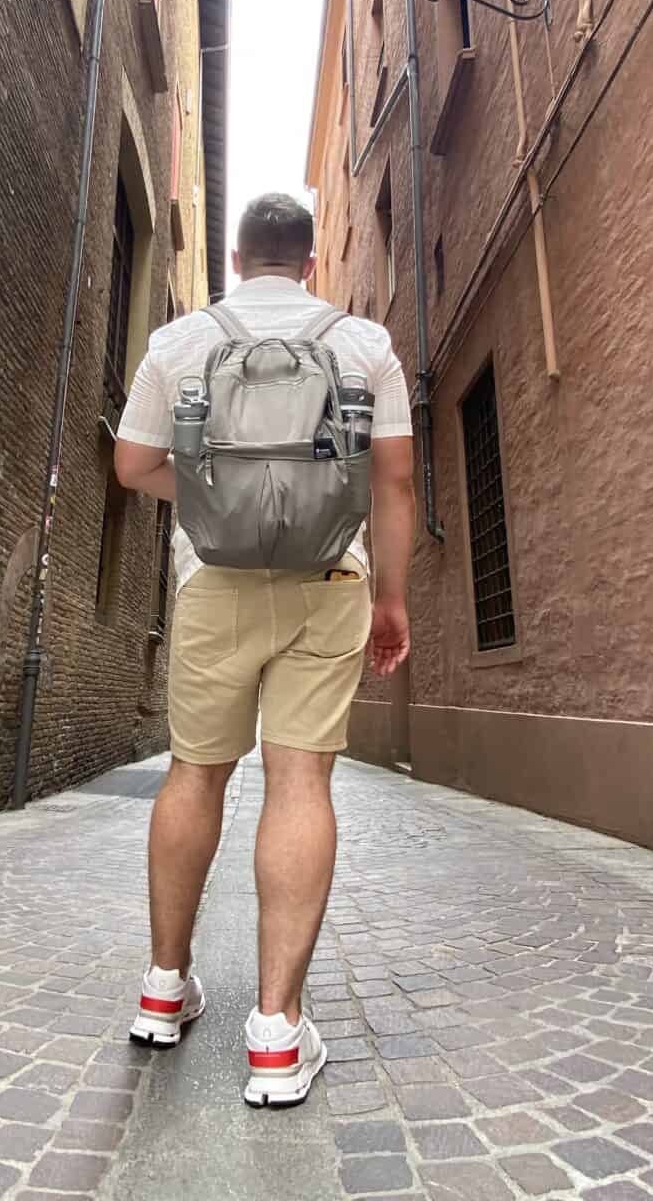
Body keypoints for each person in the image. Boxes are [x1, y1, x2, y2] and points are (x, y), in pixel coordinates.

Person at [111, 192, 415, 1108]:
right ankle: (277, 1035)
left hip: (212, 585)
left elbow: (129, 467)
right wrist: (391, 599)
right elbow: (395, 481)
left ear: (237, 263)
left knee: (195, 774)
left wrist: (213, 505)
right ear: (311, 265)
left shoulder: (179, 342)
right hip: (330, 583)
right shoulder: (364, 344)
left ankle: (165, 989)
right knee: (299, 783)